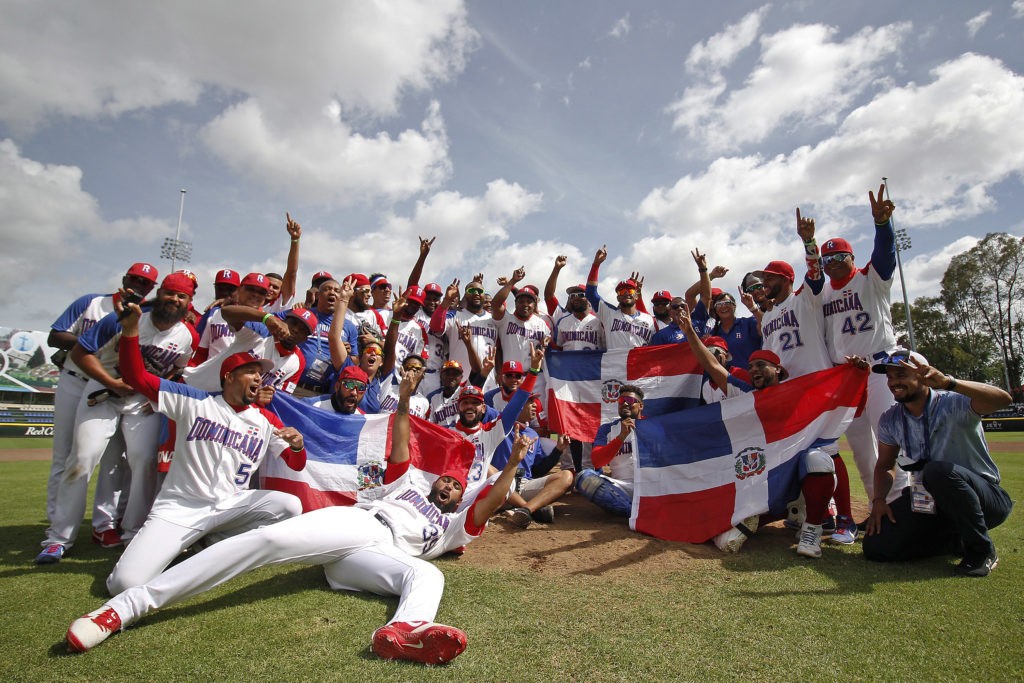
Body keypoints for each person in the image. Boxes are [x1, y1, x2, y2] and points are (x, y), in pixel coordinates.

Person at [65, 370, 536, 666]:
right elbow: (398, 445)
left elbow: (492, 499)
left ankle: (401, 632)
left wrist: (512, 463)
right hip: (364, 524)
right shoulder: (406, 484)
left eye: (457, 485)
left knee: (429, 574)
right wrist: (406, 398)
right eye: (446, 480)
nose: (449, 485)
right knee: (266, 544)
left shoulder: (458, 525)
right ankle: (123, 608)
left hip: (376, 560)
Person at [104, 300, 307, 593]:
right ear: (229, 376)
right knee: (124, 584)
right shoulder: (195, 401)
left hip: (229, 507)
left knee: (290, 506)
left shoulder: (265, 419)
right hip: (181, 506)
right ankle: (195, 546)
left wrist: (298, 446)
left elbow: (296, 462)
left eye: (260, 373)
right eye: (250, 371)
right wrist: (131, 331)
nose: (258, 378)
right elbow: (136, 377)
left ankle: (212, 543)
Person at [37, 273, 197, 564]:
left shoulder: (187, 335)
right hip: (103, 390)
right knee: (82, 458)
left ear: (189, 303)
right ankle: (58, 537)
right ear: (159, 294)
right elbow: (80, 352)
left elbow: (177, 371)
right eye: (170, 293)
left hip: (141, 401)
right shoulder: (123, 318)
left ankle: (133, 532)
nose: (174, 299)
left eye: (181, 296)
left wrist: (158, 397)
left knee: (144, 461)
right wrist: (109, 383)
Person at [679, 303, 845, 559]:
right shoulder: (748, 394)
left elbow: (838, 391)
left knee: (818, 460)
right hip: (762, 475)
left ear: (778, 370)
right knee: (726, 541)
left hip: (793, 470)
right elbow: (712, 366)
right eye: (752, 366)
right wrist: (690, 331)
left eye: (761, 365)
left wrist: (858, 371)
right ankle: (776, 514)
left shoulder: (797, 394)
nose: (754, 370)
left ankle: (812, 525)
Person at [864, 350, 1013, 576]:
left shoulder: (954, 403)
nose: (893, 382)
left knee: (937, 471)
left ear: (923, 374)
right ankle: (954, 541)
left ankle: (982, 550)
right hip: (932, 502)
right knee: (877, 546)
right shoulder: (891, 418)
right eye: (890, 377)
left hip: (983, 499)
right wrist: (879, 500)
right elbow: (885, 464)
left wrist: (948, 382)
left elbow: (1003, 399)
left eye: (901, 374)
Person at [44, 262, 158, 538]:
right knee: (68, 455)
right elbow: (54, 335)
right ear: (124, 278)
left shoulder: (145, 314)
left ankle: (107, 522)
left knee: (114, 460)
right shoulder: (93, 303)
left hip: (115, 389)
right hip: (76, 379)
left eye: (145, 283)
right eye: (135, 279)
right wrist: (95, 341)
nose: (139, 285)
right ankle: (56, 523)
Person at [820, 184, 904, 504]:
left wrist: (882, 226)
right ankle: (875, 507)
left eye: (840, 256)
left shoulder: (870, 278)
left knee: (892, 442)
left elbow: (885, 256)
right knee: (861, 449)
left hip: (881, 367)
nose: (834, 262)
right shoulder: (823, 295)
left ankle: (901, 507)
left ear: (851, 257)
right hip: (847, 377)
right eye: (828, 258)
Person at [574, 384, 644, 517]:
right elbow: (597, 461)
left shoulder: (653, 426)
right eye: (621, 401)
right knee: (584, 477)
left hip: (650, 485)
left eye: (629, 401)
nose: (624, 404)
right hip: (623, 488)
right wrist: (621, 437)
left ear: (640, 405)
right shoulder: (607, 429)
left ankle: (635, 511)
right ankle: (633, 514)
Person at [586, 246, 655, 349]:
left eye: (630, 290)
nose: (626, 293)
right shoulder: (609, 314)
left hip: (638, 364)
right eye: (622, 291)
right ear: (618, 298)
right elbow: (591, 293)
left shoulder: (649, 319)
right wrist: (596, 265)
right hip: (615, 364)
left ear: (637, 295)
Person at [263, 212, 302, 313]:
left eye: (275, 287)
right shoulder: (247, 302)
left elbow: (291, 272)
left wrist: (295, 240)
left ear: (281, 292)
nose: (270, 289)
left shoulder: (280, 303)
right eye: (267, 285)